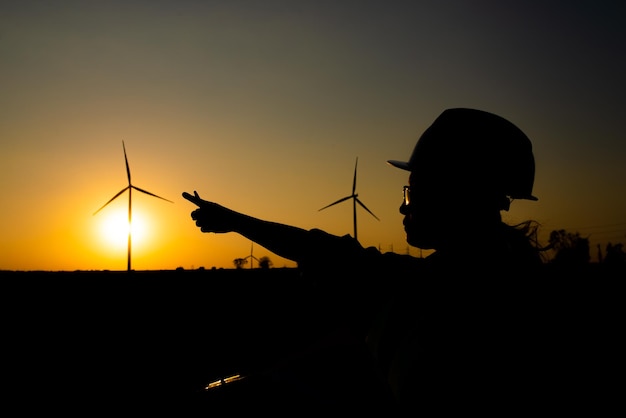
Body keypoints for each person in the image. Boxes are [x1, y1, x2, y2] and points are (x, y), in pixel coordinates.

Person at [184, 108, 548, 413]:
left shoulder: (468, 300)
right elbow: (333, 254)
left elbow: (332, 254)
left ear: (456, 194)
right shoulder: (489, 277)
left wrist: (236, 222)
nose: (403, 207)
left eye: (413, 192)